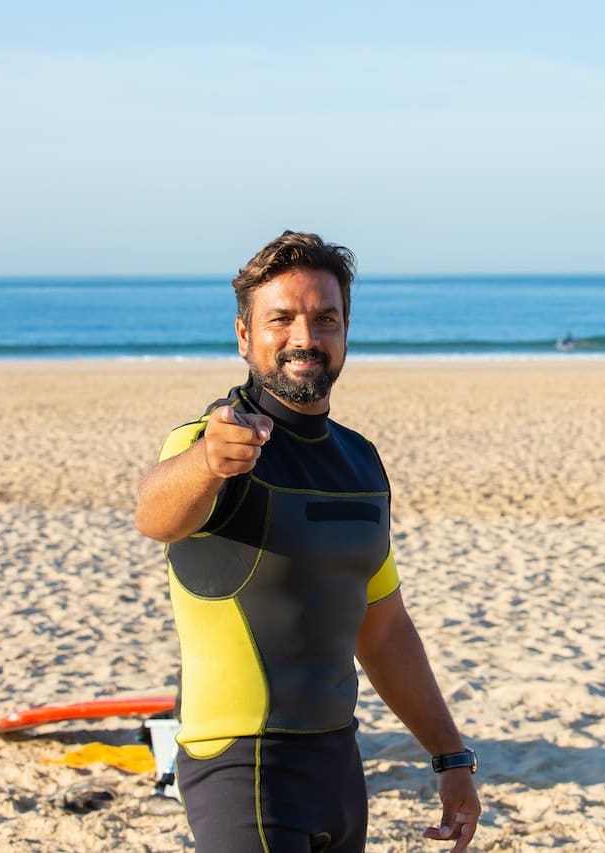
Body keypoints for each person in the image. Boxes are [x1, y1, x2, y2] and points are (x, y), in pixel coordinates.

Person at [135, 231, 481, 852]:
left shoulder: (360, 462)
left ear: (346, 329)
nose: (304, 337)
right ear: (244, 334)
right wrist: (210, 462)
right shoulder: (211, 440)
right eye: (282, 319)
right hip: (241, 768)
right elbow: (156, 514)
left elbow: (384, 627)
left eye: (325, 318)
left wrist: (450, 756)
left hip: (340, 769)